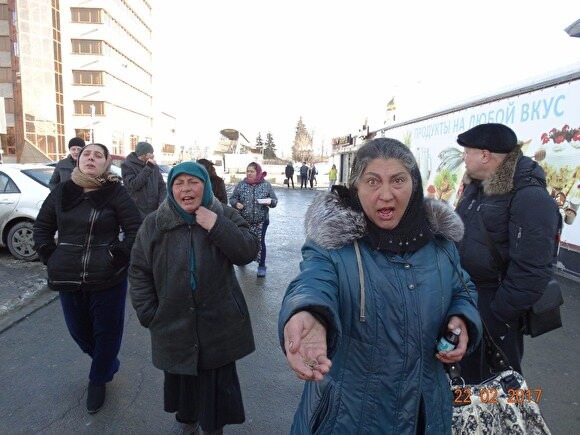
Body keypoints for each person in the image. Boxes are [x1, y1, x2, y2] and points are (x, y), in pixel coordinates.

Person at [278, 138, 482, 434]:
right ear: (356, 188)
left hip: (426, 414)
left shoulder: (440, 244)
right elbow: (312, 283)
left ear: (414, 185)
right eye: (372, 182)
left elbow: (463, 291)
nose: (386, 194)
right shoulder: (333, 245)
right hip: (349, 416)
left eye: (398, 180)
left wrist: (462, 319)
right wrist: (307, 313)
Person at [129, 162, 258, 435]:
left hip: (218, 324)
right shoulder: (154, 224)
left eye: (193, 181)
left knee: (215, 390)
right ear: (171, 189)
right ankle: (187, 420)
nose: (186, 188)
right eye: (179, 183)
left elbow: (247, 252)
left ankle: (212, 427)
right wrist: (149, 313)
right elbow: (139, 270)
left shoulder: (221, 213)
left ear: (206, 185)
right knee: (183, 382)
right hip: (173, 323)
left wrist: (216, 225)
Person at [33, 143, 142, 414]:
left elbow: (135, 230)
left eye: (98, 155)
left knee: (107, 332)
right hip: (67, 275)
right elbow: (42, 227)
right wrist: (50, 255)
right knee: (78, 331)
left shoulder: (116, 192)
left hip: (107, 277)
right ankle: (107, 364)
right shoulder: (61, 192)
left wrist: (116, 257)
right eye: (86, 154)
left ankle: (98, 379)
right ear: (78, 160)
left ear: (106, 163)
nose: (91, 158)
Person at [455, 123, 560, 383]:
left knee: (498, 386)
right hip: (469, 299)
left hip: (495, 307)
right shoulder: (475, 187)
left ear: (485, 155)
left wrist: (497, 316)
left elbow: (532, 272)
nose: (464, 158)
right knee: (468, 381)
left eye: (467, 152)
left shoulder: (529, 197)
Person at [229, 162, 278, 277]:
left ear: (258, 172)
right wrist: (236, 204)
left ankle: (261, 266)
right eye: (248, 171)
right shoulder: (241, 185)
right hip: (244, 221)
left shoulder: (266, 185)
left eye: (252, 171)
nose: (249, 173)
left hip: (261, 221)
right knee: (243, 242)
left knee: (260, 243)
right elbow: (232, 198)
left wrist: (269, 202)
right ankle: (242, 260)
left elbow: (274, 201)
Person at [121, 141, 167, 218]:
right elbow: (133, 186)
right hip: (138, 213)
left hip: (154, 212)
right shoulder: (127, 165)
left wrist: (161, 202)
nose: (153, 155)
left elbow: (161, 185)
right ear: (143, 155)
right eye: (151, 153)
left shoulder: (154, 166)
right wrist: (148, 168)